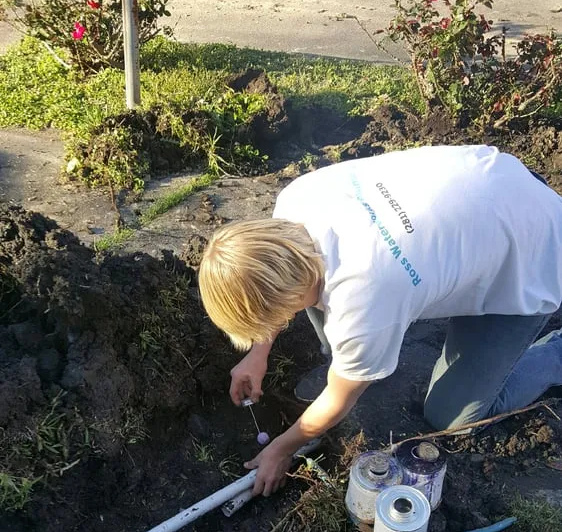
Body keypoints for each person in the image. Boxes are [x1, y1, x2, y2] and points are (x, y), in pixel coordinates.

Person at [198, 144, 562, 496]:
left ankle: (556, 352)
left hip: (534, 248)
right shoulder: (295, 202)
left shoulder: (363, 296)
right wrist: (258, 351)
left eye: (274, 317)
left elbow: (339, 401)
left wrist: (282, 447)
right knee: (352, 318)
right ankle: (361, 360)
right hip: (491, 185)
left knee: (453, 419)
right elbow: (284, 283)